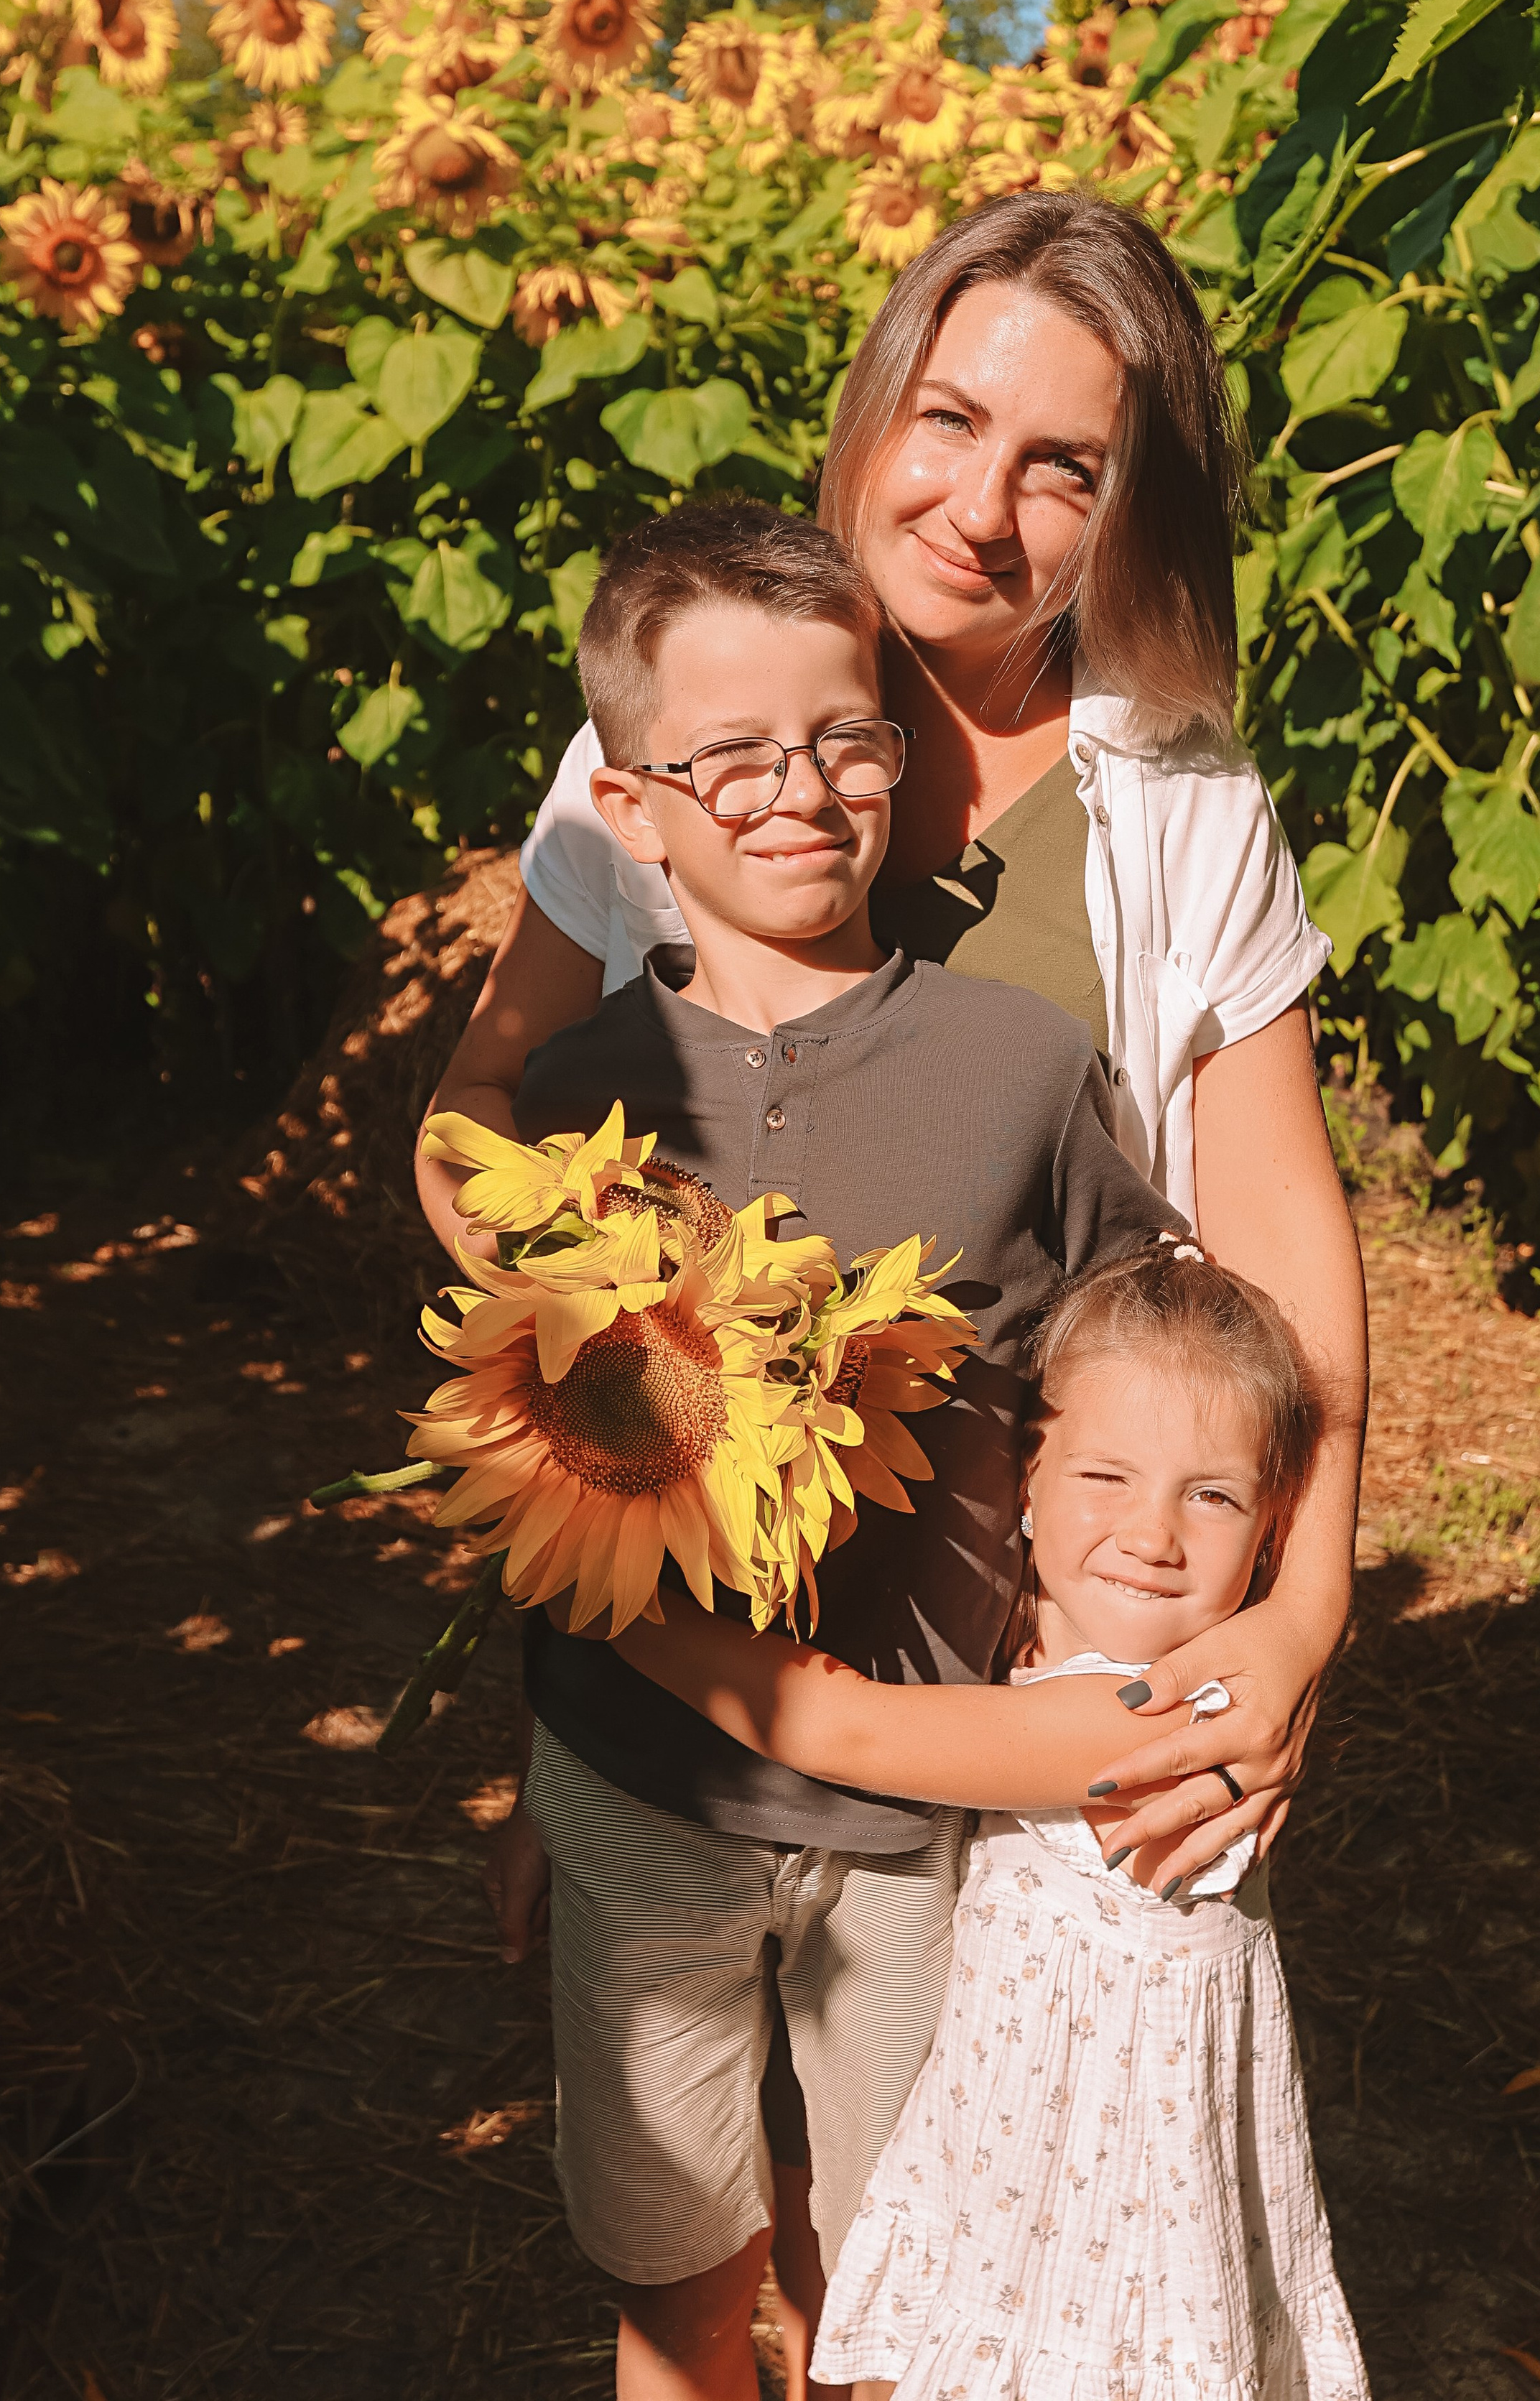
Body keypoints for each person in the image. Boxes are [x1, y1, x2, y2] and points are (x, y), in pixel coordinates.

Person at [425, 193, 1367, 1912]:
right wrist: (616, 1374)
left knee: (957, 2152)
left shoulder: (1177, 798)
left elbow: (1278, 1245)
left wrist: (1297, 1616)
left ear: (1125, 509)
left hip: (1005, 1651)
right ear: (874, 410)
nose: (981, 511)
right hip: (681, 1640)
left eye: (1063, 468)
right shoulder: (677, 723)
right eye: (948, 420)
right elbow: (486, 1102)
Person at [501, 499, 1211, 2401]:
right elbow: (535, 1472)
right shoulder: (577, 1114)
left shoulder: (1013, 1068)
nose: (797, 790)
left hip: (926, 1812)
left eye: (843, 737)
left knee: (906, 2272)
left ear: (897, 756)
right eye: (725, 756)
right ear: (632, 814)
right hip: (644, 1790)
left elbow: (1128, 1354)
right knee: (678, 2271)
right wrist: (533, 1774)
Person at [612, 1238, 1370, 2401]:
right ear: (1030, 1485)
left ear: (1272, 1532)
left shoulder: (1150, 1717)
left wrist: (621, 1614)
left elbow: (848, 1729)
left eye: (1209, 1496)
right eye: (1105, 1479)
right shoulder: (1048, 1640)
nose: (1153, 1535)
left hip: (1101, 2177)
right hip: (1036, 2141)